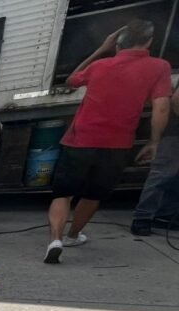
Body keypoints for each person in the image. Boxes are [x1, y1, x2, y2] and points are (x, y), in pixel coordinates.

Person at [43, 20, 171, 263]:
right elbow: (161, 107)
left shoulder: (100, 66)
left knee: (63, 193)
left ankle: (55, 239)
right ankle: (73, 235)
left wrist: (101, 50)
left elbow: (71, 80)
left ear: (117, 44)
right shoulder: (159, 67)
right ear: (149, 41)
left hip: (80, 139)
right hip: (117, 144)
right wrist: (154, 141)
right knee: (94, 194)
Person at [131, 85, 179, 236]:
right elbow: (177, 100)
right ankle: (142, 218)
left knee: (172, 175)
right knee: (163, 173)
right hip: (175, 130)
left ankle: (165, 215)